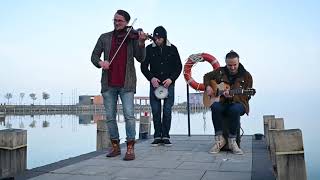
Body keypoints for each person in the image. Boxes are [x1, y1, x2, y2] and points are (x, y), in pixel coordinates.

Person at [91, 10, 148, 161]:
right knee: (110, 117)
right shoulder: (104, 37)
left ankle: (130, 148)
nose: (117, 23)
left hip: (126, 83)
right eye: (115, 20)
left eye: (120, 21)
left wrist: (141, 42)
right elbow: (94, 56)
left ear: (127, 23)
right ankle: (115, 146)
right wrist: (100, 63)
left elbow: (141, 58)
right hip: (108, 84)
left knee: (129, 116)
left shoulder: (132, 37)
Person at [203, 50, 253, 155]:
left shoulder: (246, 76)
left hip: (239, 103)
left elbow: (247, 96)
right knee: (215, 106)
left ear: (238, 62)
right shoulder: (220, 71)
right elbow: (206, 76)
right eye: (229, 65)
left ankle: (232, 141)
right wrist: (208, 86)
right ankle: (219, 140)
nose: (232, 67)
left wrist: (233, 96)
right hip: (222, 102)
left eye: (235, 65)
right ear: (226, 63)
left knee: (234, 109)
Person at [141, 26, 182, 146]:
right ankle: (157, 135)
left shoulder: (173, 49)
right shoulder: (149, 49)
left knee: (167, 110)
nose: (157, 40)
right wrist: (151, 78)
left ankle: (166, 136)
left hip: (169, 84)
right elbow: (143, 67)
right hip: (155, 85)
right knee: (155, 110)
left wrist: (171, 79)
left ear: (164, 38)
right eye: (155, 38)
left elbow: (178, 67)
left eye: (159, 38)